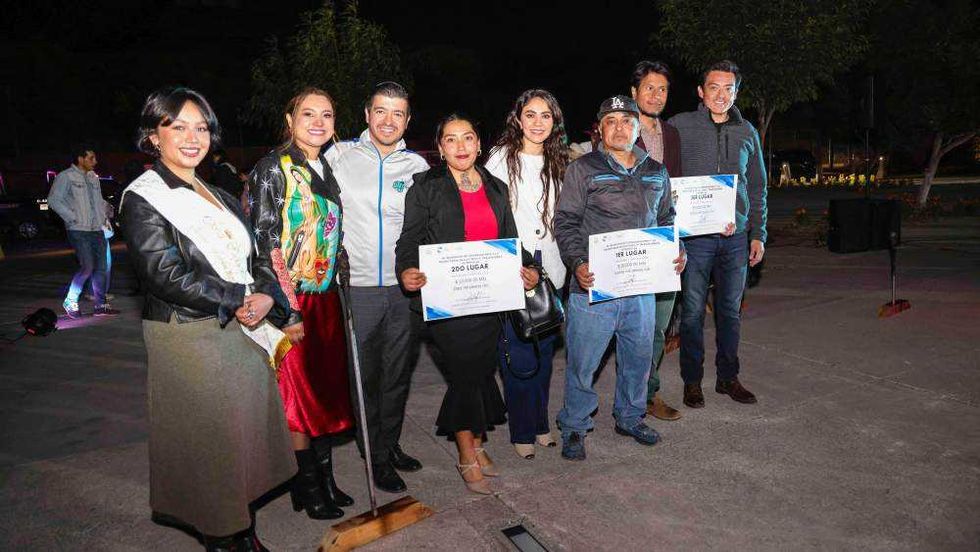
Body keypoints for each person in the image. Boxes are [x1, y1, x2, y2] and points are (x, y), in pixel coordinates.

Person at [120, 86, 295, 551]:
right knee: (212, 449)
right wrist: (238, 297)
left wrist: (264, 293)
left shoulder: (219, 194)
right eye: (177, 126)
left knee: (242, 441)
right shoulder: (144, 198)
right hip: (190, 336)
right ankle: (223, 540)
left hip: (239, 327)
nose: (191, 137)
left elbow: (255, 255)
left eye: (200, 127)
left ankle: (244, 533)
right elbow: (164, 274)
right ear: (153, 136)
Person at [395, 114, 539, 494]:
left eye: (468, 138)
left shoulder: (496, 186)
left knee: (480, 371)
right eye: (451, 139)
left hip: (489, 299)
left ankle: (478, 441)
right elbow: (408, 240)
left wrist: (529, 268)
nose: (461, 146)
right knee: (463, 374)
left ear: (478, 144)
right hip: (447, 301)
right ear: (440, 148)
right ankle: (466, 453)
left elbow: (510, 239)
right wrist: (407, 270)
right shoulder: (425, 188)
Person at [554, 96, 685, 462]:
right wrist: (577, 262)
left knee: (638, 359)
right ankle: (575, 425)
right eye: (610, 121)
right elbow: (565, 222)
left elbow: (667, 219)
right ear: (600, 129)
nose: (619, 128)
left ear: (637, 127)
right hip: (593, 286)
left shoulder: (656, 171)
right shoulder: (583, 169)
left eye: (626, 121)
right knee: (583, 364)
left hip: (641, 287)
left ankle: (630, 417)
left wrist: (677, 250)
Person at [248, 87, 356, 520]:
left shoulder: (324, 167)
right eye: (308, 114)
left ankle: (325, 480)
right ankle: (307, 487)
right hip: (292, 301)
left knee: (323, 394)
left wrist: (341, 267)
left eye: (326, 115)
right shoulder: (273, 168)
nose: (318, 122)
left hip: (325, 298)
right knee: (298, 398)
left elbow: (327, 232)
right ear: (290, 120)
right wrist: (287, 310)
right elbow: (265, 243)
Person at [324, 81, 429, 493]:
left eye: (397, 113)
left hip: (405, 289)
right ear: (367, 114)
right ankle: (375, 456)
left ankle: (389, 443)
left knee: (397, 373)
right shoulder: (339, 155)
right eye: (381, 111)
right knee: (363, 376)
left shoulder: (417, 166)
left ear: (407, 120)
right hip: (357, 286)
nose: (388, 120)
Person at [667, 60, 768, 408]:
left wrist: (758, 233)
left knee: (730, 311)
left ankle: (728, 378)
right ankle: (692, 381)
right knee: (693, 312)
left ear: (737, 93)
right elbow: (661, 173)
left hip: (735, 238)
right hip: (695, 240)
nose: (721, 94)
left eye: (729, 88)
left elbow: (757, 187)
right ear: (701, 91)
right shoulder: (680, 126)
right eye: (714, 87)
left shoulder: (747, 132)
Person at [485, 89, 568, 460]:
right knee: (519, 355)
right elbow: (494, 217)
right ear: (518, 119)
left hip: (553, 267)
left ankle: (540, 422)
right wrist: (521, 264)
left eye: (545, 116)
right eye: (530, 115)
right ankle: (521, 429)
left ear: (554, 122)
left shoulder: (560, 160)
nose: (538, 122)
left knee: (544, 353)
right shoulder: (500, 158)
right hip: (516, 268)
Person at [630, 60, 684, 422]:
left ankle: (648, 394)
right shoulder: (618, 129)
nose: (655, 95)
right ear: (634, 92)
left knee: (659, 326)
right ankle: (629, 400)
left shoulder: (673, 134)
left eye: (662, 89)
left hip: (666, 241)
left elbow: (679, 187)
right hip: (630, 245)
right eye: (649, 87)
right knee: (631, 328)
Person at [47, 143, 117, 318]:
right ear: (80, 159)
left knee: (101, 268)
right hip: (79, 230)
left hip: (97, 229)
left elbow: (97, 201)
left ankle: (101, 305)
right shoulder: (66, 176)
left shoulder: (93, 177)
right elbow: (54, 200)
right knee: (88, 267)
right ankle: (70, 300)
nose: (95, 161)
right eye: (91, 158)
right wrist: (72, 217)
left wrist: (107, 210)